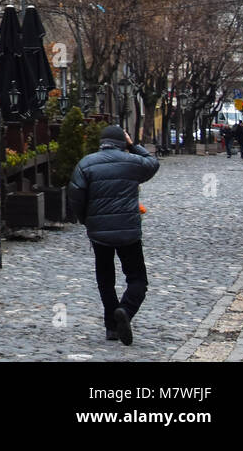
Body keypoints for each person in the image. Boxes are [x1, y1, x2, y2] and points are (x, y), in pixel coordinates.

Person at [67, 125, 160, 346]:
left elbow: (76, 195)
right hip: (128, 230)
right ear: (122, 142)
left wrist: (86, 220)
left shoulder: (86, 163)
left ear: (102, 142)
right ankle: (125, 311)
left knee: (105, 279)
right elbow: (153, 164)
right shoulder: (133, 162)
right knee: (138, 279)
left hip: (99, 232)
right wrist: (133, 146)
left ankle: (112, 326)